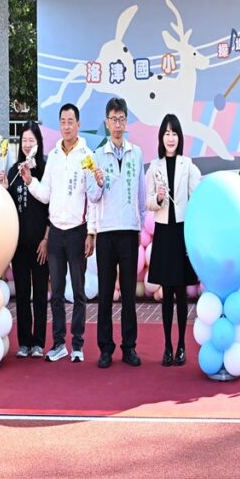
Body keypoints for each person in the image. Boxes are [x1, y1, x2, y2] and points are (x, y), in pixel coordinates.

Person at [21, 104, 97, 363]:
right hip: (55, 232)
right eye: (62, 121)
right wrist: (30, 181)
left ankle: (78, 344)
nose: (66, 126)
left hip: (77, 231)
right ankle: (59, 343)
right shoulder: (53, 156)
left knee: (78, 292)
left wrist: (91, 232)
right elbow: (45, 195)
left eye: (70, 121)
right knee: (56, 293)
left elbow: (93, 198)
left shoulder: (87, 156)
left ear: (78, 124)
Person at [89, 98, 147, 369]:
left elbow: (141, 194)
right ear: (106, 122)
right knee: (105, 293)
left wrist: (139, 224)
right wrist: (99, 183)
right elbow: (92, 195)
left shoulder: (136, 153)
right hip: (106, 232)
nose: (117, 125)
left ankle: (129, 346)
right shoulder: (97, 156)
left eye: (122, 119)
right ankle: (105, 348)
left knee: (128, 294)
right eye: (113, 119)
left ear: (126, 122)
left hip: (129, 232)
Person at [146, 114, 201, 367]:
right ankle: (167, 346)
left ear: (180, 138)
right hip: (163, 233)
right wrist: (158, 198)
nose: (170, 138)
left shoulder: (187, 165)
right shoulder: (154, 166)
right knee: (166, 292)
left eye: (175, 133)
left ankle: (181, 346)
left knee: (181, 291)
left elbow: (197, 196)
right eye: (167, 133)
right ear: (161, 137)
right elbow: (148, 202)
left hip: (181, 232)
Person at [7, 121, 50, 359]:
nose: (27, 144)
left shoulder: (45, 169)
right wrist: (4, 188)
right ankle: (24, 342)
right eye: (24, 140)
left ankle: (38, 342)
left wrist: (46, 239)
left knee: (40, 294)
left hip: (41, 244)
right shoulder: (13, 171)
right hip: (19, 245)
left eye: (31, 140)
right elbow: (8, 207)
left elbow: (51, 206)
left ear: (38, 143)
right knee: (22, 294)